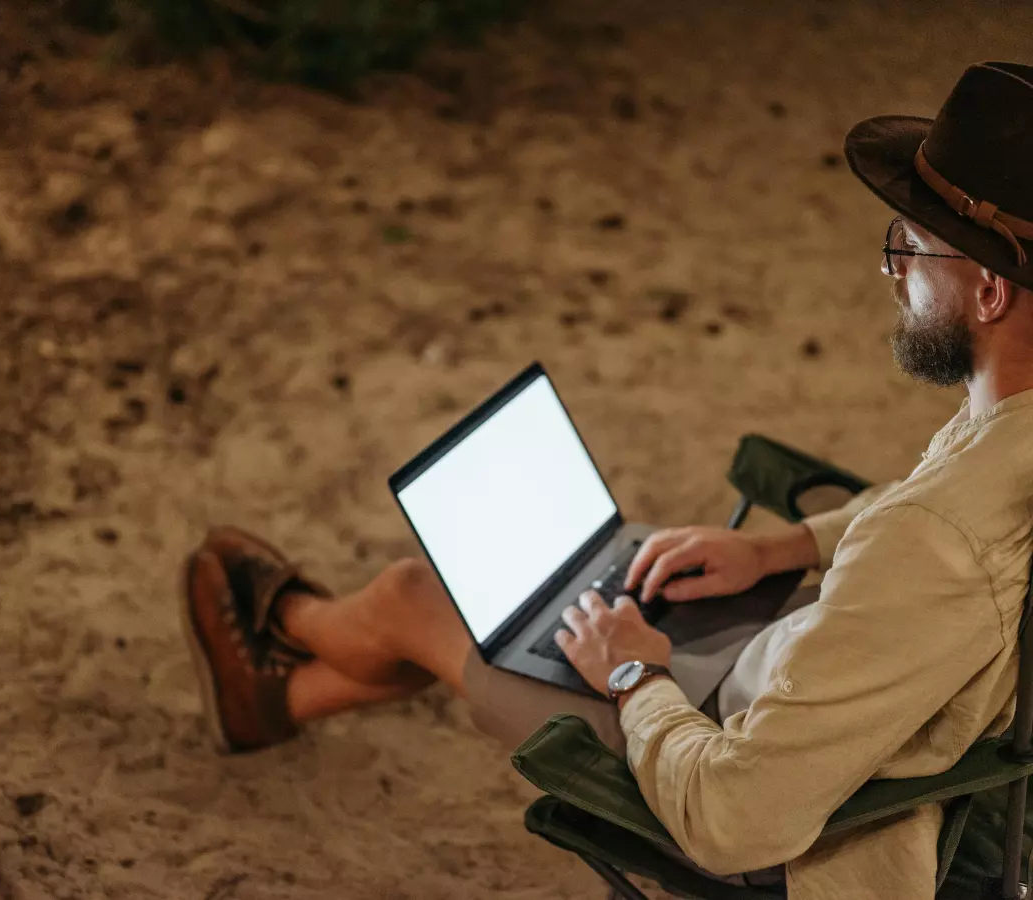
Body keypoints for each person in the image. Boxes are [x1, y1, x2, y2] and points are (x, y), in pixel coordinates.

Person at [180, 62, 1033, 899]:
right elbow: (940, 541)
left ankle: (280, 629)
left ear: (990, 292)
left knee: (429, 599)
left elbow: (736, 817)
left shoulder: (932, 541)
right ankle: (274, 694)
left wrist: (634, 678)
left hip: (784, 806)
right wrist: (783, 547)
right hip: (831, 699)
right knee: (538, 612)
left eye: (910, 246)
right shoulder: (1007, 439)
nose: (893, 272)